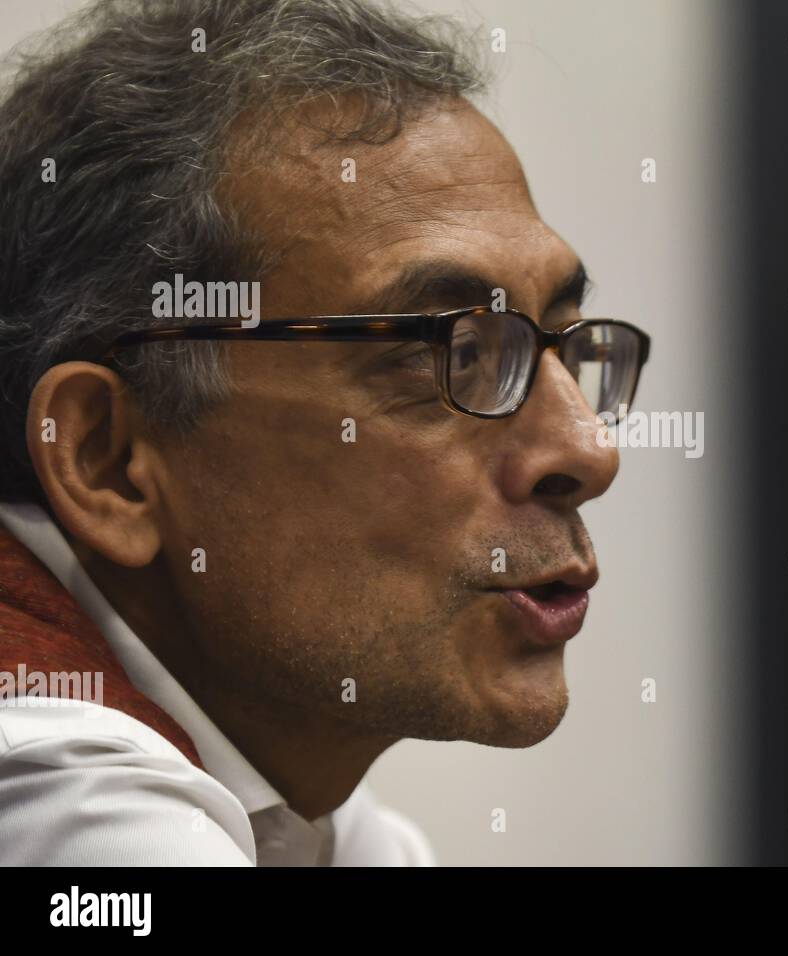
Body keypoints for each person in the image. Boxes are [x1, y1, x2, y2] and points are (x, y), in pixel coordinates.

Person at [0, 0, 649, 865]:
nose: (586, 451)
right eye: (445, 351)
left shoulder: (319, 824)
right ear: (108, 461)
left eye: (564, 344)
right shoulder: (51, 789)